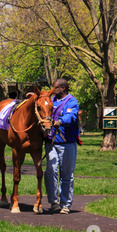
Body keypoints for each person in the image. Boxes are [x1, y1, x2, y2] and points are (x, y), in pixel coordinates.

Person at [44, 79, 80, 214]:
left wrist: (60, 121)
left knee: (67, 175)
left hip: (67, 144)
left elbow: (72, 116)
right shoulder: (51, 101)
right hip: (51, 142)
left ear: (63, 88)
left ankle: (65, 204)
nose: (53, 90)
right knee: (51, 171)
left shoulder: (72, 101)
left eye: (56, 88)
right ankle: (54, 202)